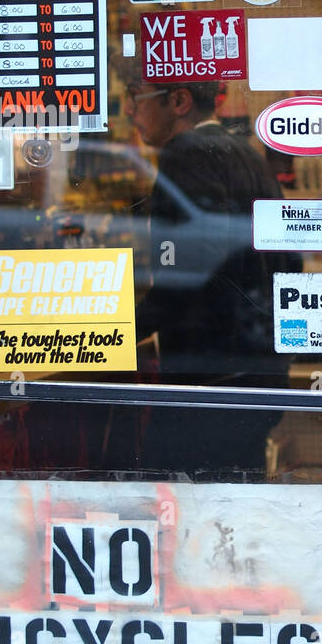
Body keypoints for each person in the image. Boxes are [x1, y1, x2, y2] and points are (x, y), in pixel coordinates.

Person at [123, 77, 300, 472]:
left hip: (209, 379)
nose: (129, 111)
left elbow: (189, 273)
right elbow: (289, 256)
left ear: (180, 101)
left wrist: (109, 333)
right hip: (255, 370)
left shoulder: (186, 153)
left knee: (182, 502)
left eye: (134, 97)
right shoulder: (244, 151)